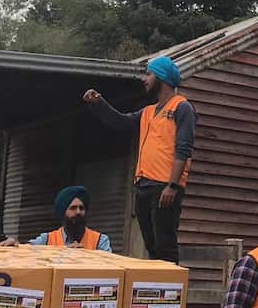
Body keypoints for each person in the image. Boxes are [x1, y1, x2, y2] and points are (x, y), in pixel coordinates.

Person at [83, 55, 195, 264]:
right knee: (152, 248)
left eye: (149, 74)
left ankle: (170, 285)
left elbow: (184, 148)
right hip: (143, 186)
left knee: (165, 246)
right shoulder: (148, 112)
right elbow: (120, 122)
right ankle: (156, 284)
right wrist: (99, 104)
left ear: (162, 77)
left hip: (164, 187)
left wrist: (172, 186)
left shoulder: (182, 107)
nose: (145, 79)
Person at [0, 186, 112, 251]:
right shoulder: (47, 240)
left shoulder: (100, 241)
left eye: (81, 208)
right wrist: (14, 245)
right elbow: (26, 250)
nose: (78, 212)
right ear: (63, 211)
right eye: (73, 208)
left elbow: (110, 270)